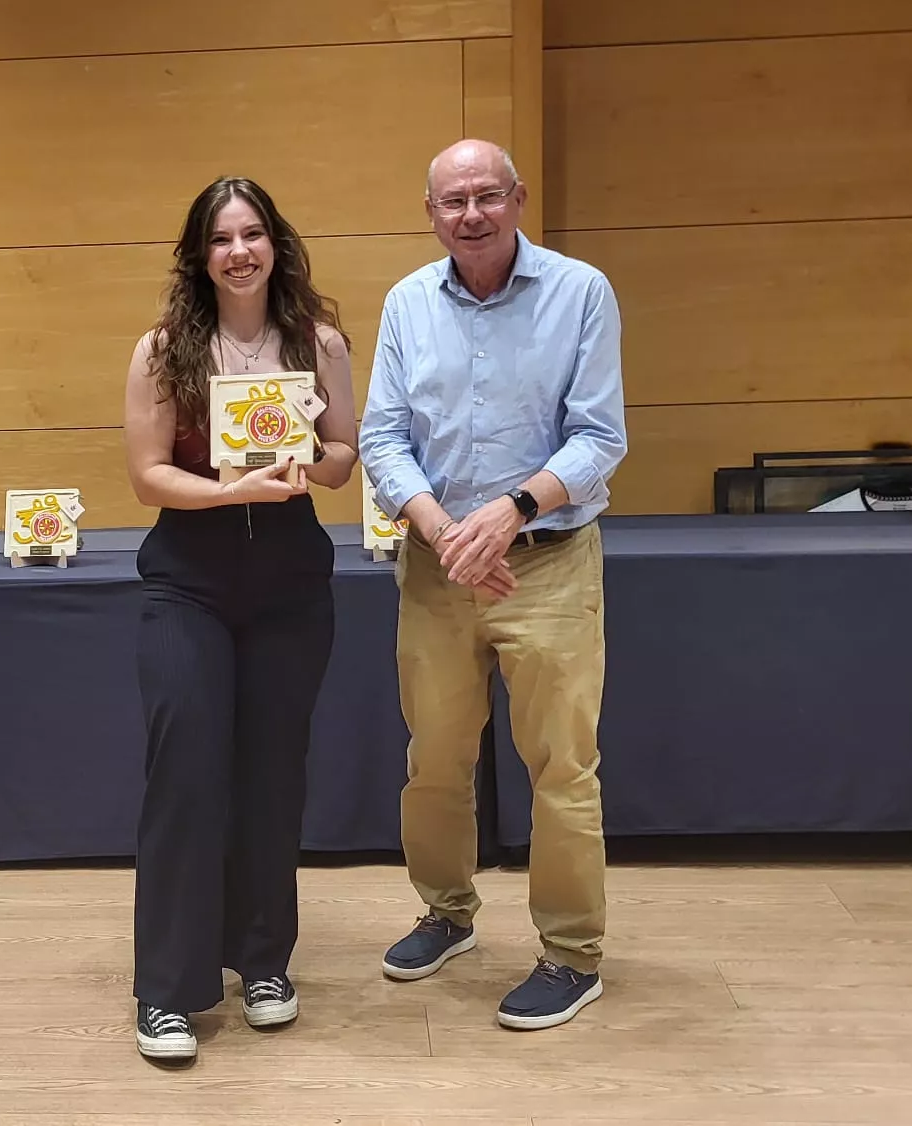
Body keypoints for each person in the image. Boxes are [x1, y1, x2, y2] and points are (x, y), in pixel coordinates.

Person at [359, 139, 627, 1031]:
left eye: (486, 196)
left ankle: (571, 954)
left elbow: (597, 438)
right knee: (434, 759)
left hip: (546, 558)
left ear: (516, 198)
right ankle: (447, 912)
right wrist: (443, 529)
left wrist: (509, 512)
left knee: (561, 766)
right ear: (430, 214)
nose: (470, 214)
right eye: (452, 201)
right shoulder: (406, 303)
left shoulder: (581, 292)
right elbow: (383, 438)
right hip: (436, 567)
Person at [121, 176, 359, 1061]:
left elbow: (343, 454)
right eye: (221, 238)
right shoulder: (161, 350)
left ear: (276, 244)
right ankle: (169, 989)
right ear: (199, 255)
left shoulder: (318, 341)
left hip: (291, 581)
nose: (239, 251)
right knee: (186, 772)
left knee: (272, 775)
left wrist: (313, 460)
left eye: (253, 233)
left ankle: (264, 961)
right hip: (189, 582)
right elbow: (148, 476)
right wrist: (230, 488)